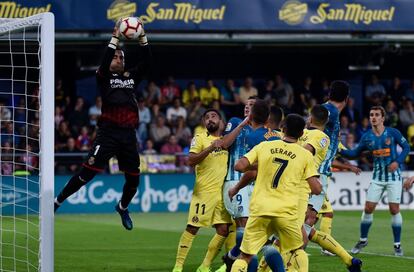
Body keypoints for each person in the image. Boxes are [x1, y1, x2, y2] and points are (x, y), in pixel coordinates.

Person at [54, 19, 151, 231]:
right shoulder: (104, 76)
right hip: (108, 134)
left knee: (134, 180)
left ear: (125, 62)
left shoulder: (131, 77)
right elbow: (107, 57)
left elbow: (147, 61)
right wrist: (115, 38)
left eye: (120, 56)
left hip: (128, 136)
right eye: (114, 56)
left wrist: (142, 36)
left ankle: (123, 207)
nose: (116, 58)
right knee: (85, 175)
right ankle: (57, 201)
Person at [229, 114, 322, 272]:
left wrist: (261, 165)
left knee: (245, 256)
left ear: (282, 129)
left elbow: (239, 166)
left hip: (260, 210)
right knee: (297, 249)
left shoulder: (265, 147)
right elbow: (316, 189)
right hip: (286, 212)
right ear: (301, 134)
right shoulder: (305, 155)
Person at [217, 99, 280, 272]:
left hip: (258, 184)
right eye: (246, 104)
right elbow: (224, 143)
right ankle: (242, 262)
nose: (247, 106)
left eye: (252, 105)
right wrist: (242, 125)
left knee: (257, 231)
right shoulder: (236, 122)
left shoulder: (267, 133)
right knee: (244, 226)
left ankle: (231, 259)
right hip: (235, 179)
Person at [340, 106, 410, 256]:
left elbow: (406, 147)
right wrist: (338, 148)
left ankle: (397, 245)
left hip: (394, 178)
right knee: (368, 209)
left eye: (377, 115)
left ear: (383, 118)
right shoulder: (367, 137)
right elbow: (353, 154)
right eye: (371, 115)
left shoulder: (393, 133)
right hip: (377, 178)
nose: (373, 117)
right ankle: (363, 240)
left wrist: (397, 162)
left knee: (394, 209)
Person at [172, 109, 232, 272]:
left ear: (221, 121)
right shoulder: (199, 138)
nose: (210, 120)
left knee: (224, 230)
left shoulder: (228, 140)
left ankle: (205, 266)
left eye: (214, 117)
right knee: (193, 227)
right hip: (204, 191)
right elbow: (190, 161)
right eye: (207, 118)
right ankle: (178, 266)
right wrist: (211, 148)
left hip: (223, 193)